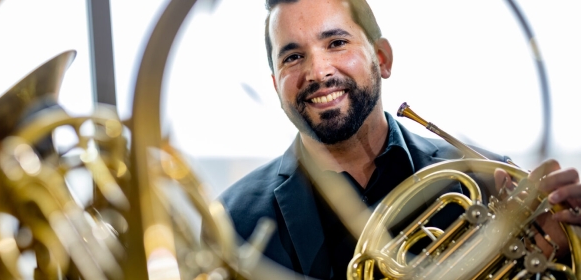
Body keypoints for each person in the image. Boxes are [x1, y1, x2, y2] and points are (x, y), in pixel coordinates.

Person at [218, 0, 581, 278]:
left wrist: (564, 248)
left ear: (382, 58)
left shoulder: (490, 182)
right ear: (276, 85)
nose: (318, 71)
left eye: (337, 42)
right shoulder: (230, 222)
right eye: (293, 56)